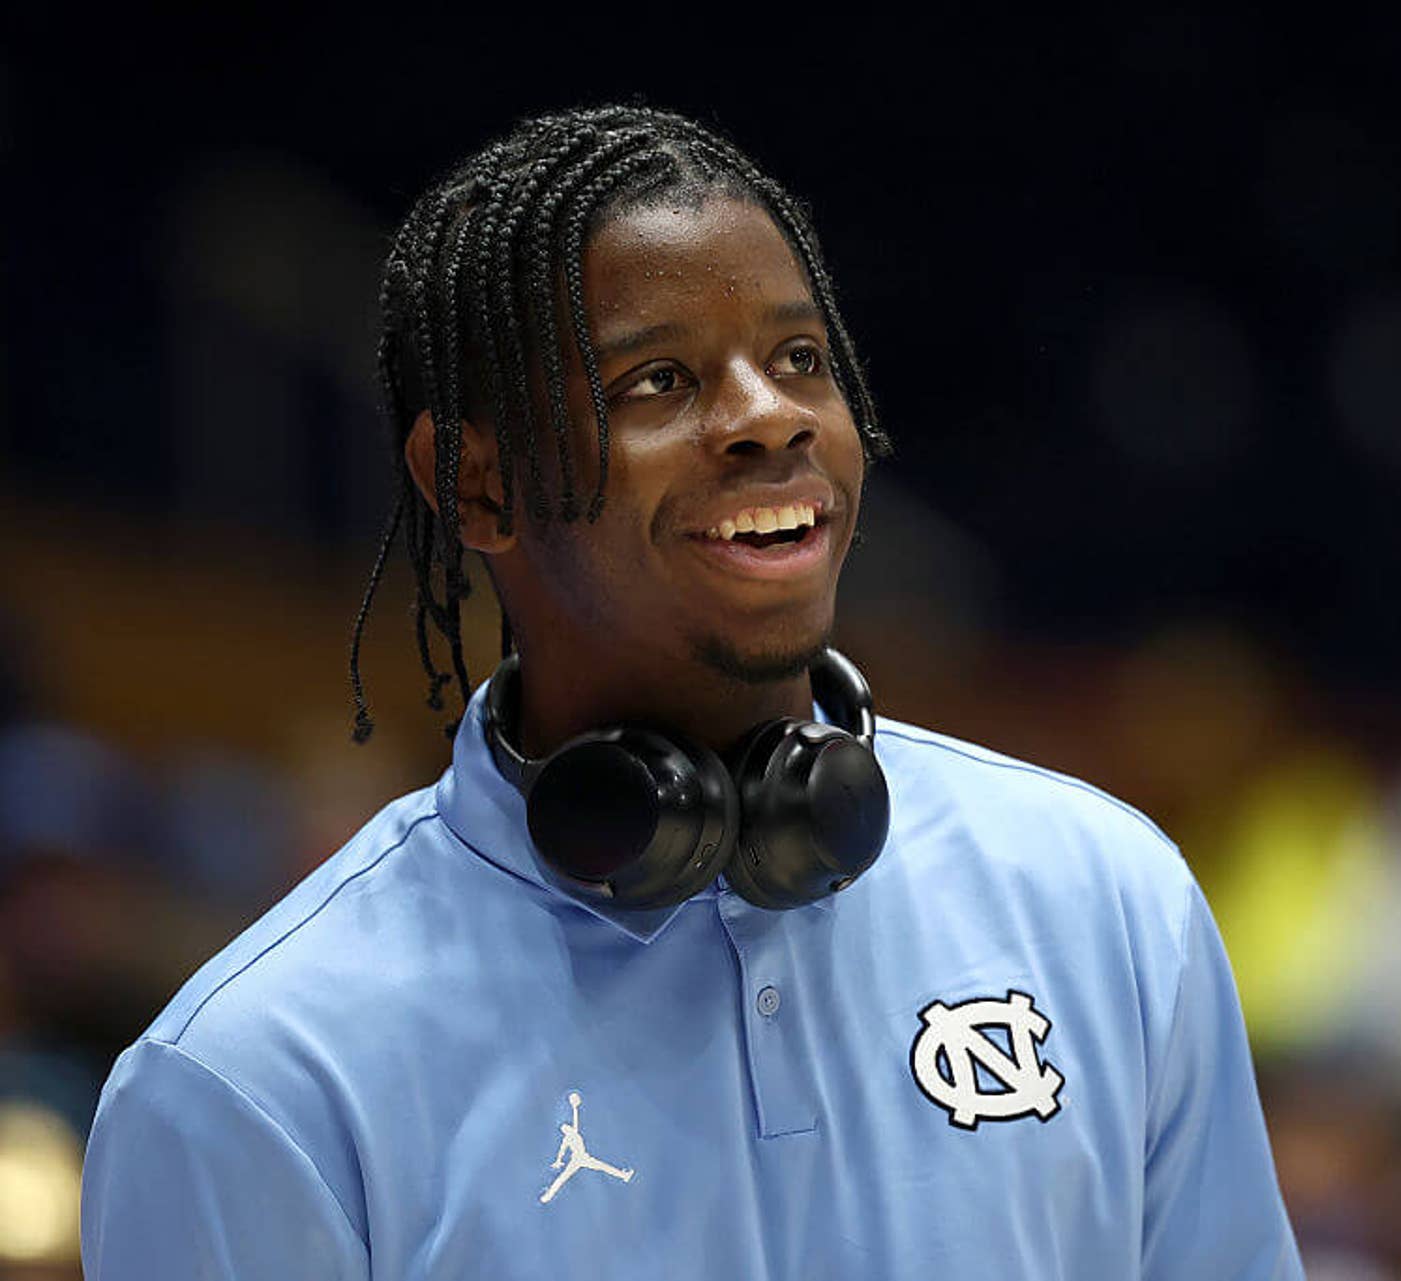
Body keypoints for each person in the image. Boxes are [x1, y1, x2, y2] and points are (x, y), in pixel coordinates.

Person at [80, 103, 1302, 1279]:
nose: (771, 418)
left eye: (800, 358)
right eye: (658, 381)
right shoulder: (263, 1082)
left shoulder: (1103, 902)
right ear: (479, 486)